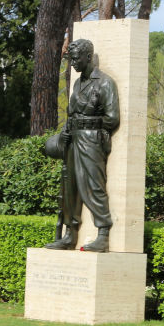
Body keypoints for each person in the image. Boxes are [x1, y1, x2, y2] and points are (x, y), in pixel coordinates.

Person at [45, 39, 119, 252]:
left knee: (93, 185)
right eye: (71, 59)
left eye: (76, 59)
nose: (73, 63)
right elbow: (72, 113)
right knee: (71, 187)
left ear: (88, 57)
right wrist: (68, 130)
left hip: (92, 140)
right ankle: (70, 234)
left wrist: (86, 123)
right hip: (73, 139)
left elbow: (112, 118)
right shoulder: (77, 83)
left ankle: (103, 233)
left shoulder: (105, 83)